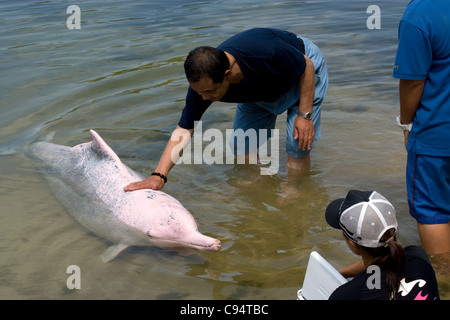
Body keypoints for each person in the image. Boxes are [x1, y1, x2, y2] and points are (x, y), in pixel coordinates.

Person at [124, 28, 328, 192]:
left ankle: (295, 189)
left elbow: (306, 66)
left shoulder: (265, 51)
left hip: (298, 74)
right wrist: (159, 176)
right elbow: (184, 129)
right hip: (259, 91)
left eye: (209, 92)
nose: (204, 98)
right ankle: (257, 182)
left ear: (227, 75)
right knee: (242, 145)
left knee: (297, 142)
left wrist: (305, 115)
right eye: (200, 92)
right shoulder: (202, 86)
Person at [393, 0, 450, 267]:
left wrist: (406, 124)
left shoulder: (421, 13)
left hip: (438, 135)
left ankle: (444, 281)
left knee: (433, 210)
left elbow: (414, 81)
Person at [325, 190, 440, 300]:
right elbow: (382, 261)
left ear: (353, 244)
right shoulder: (418, 256)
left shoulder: (348, 294)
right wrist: (340, 273)